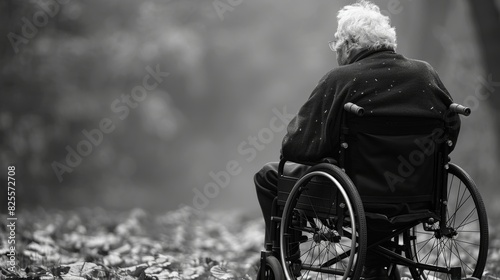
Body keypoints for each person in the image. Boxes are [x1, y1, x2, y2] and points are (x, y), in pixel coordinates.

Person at [254, 1, 460, 279]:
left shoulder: (341, 79)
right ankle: (376, 263)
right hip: (417, 193)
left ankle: (285, 256)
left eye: (336, 42)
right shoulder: (425, 74)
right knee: (374, 184)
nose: (336, 49)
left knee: (267, 176)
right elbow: (449, 131)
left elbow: (298, 146)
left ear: (350, 43)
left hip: (353, 194)